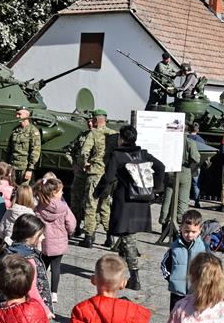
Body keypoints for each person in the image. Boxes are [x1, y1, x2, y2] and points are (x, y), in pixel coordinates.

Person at [95, 125, 164, 290]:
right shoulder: (143, 154)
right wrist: (156, 189)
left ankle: (135, 277)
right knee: (126, 238)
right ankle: (121, 273)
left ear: (121, 139)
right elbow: (160, 167)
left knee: (128, 238)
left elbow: (108, 177)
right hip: (141, 202)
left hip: (124, 202)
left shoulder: (117, 156)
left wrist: (97, 192)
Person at [34, 177, 76, 304]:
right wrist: (70, 232)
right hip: (59, 241)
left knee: (43, 266)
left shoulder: (40, 206)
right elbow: (71, 222)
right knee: (56, 268)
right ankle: (54, 293)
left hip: (44, 241)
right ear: (54, 193)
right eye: (61, 191)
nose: (62, 193)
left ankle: (39, 289)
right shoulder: (63, 207)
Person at [80, 109, 117, 248]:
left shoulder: (93, 133)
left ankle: (89, 237)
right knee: (105, 206)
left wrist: (85, 164)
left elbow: (84, 152)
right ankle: (110, 236)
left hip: (95, 174)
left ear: (95, 120)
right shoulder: (114, 134)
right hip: (108, 175)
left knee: (91, 205)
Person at [161, 210, 207, 312]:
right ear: (181, 227)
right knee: (174, 317)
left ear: (200, 230)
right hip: (177, 293)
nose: (189, 235)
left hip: (195, 292)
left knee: (192, 319)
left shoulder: (204, 248)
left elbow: (210, 268)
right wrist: (170, 278)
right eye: (186, 231)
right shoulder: (174, 246)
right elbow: (164, 264)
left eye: (193, 232)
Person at [159, 130, 200, 230]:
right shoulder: (189, 142)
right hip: (184, 170)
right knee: (183, 199)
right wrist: (190, 167)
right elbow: (196, 158)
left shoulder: (168, 140)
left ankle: (164, 221)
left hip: (169, 170)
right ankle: (178, 223)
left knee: (167, 198)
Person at [70, 116, 95, 232]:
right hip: (80, 175)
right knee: (76, 201)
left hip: (95, 176)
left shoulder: (103, 136)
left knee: (93, 204)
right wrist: (74, 165)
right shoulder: (82, 136)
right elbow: (69, 151)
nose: (90, 124)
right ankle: (76, 226)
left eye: (92, 121)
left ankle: (92, 230)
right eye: (88, 121)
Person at [7, 106, 41, 184]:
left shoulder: (33, 131)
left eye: (19, 114)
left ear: (27, 115)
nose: (17, 116)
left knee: (23, 191)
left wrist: (30, 169)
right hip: (13, 167)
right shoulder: (15, 130)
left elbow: (35, 152)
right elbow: (9, 149)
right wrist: (8, 166)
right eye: (17, 114)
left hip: (24, 168)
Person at [189, 123, 206, 208]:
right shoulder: (200, 140)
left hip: (185, 165)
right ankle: (197, 201)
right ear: (198, 130)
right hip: (196, 165)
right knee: (196, 183)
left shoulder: (186, 138)